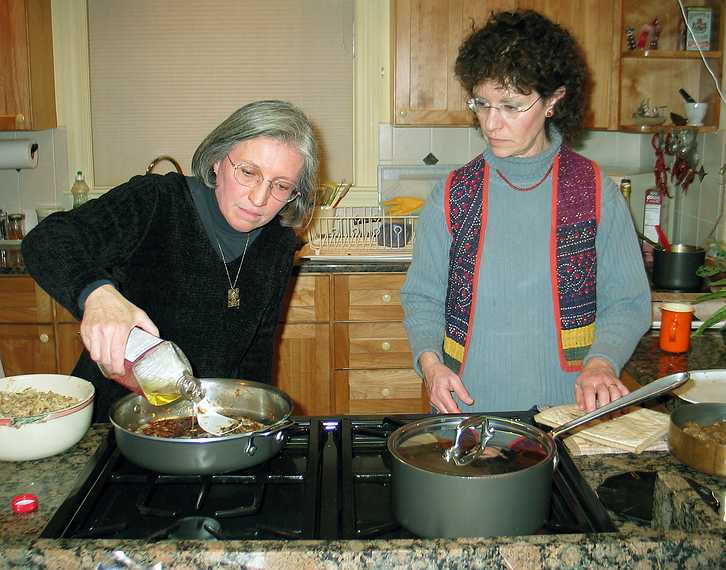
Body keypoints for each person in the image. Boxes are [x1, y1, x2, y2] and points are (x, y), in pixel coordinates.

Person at [400, 10, 651, 415]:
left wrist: (602, 361)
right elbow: (422, 297)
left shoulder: (592, 190)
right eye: (482, 104)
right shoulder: (453, 195)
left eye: (511, 106)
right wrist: (430, 365)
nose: (491, 123)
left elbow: (626, 301)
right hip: (468, 407)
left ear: (554, 100)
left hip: (569, 412)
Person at [22, 100, 318, 422]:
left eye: (281, 186)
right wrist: (98, 296)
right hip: (113, 426)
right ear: (218, 159)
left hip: (207, 421)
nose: (260, 199)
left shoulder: (278, 241)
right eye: (248, 172)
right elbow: (47, 239)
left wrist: (257, 425)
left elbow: (257, 351)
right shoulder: (157, 201)